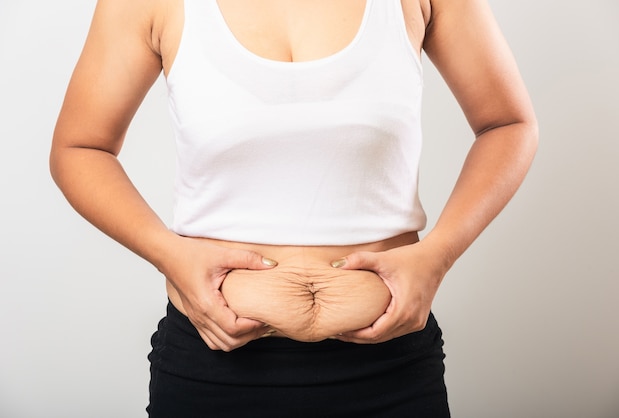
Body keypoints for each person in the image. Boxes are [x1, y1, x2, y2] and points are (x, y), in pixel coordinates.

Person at [50, 0, 538, 416]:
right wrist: (170, 254)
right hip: (214, 369)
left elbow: (507, 124)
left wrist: (438, 256)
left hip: (391, 370)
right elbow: (80, 148)